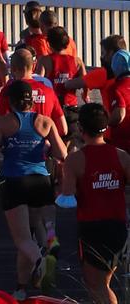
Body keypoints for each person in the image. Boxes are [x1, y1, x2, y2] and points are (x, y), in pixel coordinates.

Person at [0, 79, 64, 294]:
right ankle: (47, 250)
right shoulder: (46, 122)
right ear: (32, 102)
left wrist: (2, 148)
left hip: (16, 182)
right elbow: (63, 154)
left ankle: (40, 262)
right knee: (44, 229)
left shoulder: (3, 122)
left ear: (10, 101)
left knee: (23, 240)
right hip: (42, 182)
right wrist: (43, 149)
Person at [62, 104, 130, 304]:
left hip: (92, 227)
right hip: (117, 226)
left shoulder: (75, 160)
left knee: (96, 286)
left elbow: (67, 198)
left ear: (81, 128)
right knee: (104, 283)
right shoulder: (122, 156)